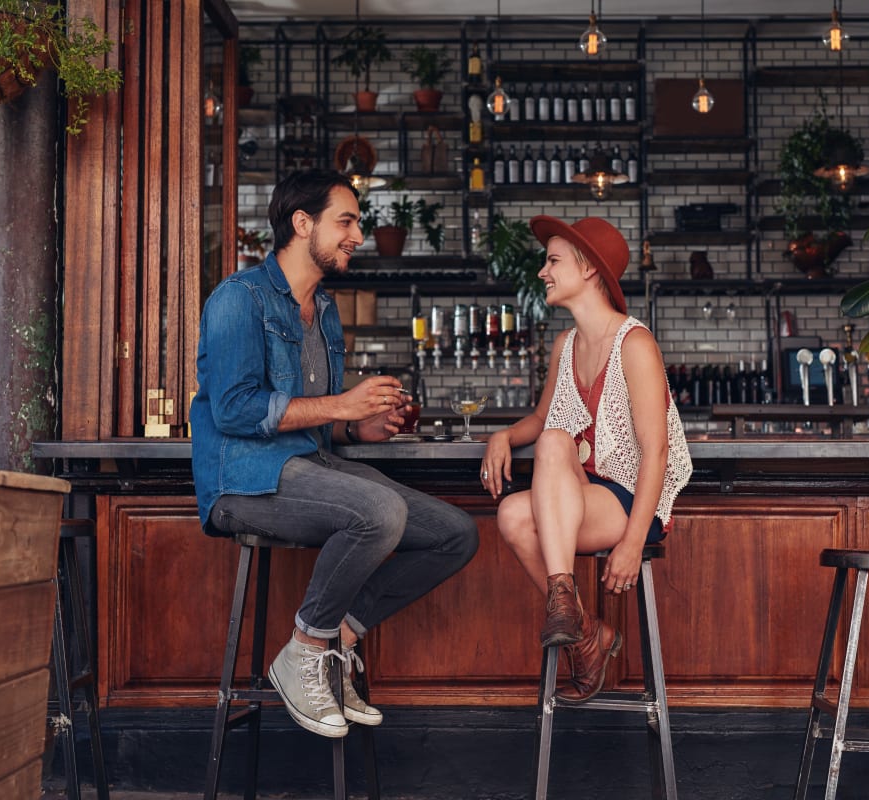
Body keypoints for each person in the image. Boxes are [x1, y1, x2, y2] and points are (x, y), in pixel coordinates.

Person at [190, 169, 479, 738]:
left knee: (456, 533)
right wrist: (341, 407)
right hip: (242, 481)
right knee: (378, 512)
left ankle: (334, 643)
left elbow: (319, 421)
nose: (357, 235)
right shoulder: (238, 299)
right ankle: (302, 651)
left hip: (309, 467)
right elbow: (234, 411)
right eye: (345, 221)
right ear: (303, 224)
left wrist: (359, 427)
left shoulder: (323, 311)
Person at [480, 215, 692, 702]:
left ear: (589, 270)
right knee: (512, 510)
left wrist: (634, 543)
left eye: (552, 261)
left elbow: (656, 452)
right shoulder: (566, 345)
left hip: (634, 499)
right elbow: (540, 418)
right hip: (587, 493)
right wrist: (503, 436)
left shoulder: (635, 344)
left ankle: (573, 620)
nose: (542, 272)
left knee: (553, 446)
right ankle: (584, 625)